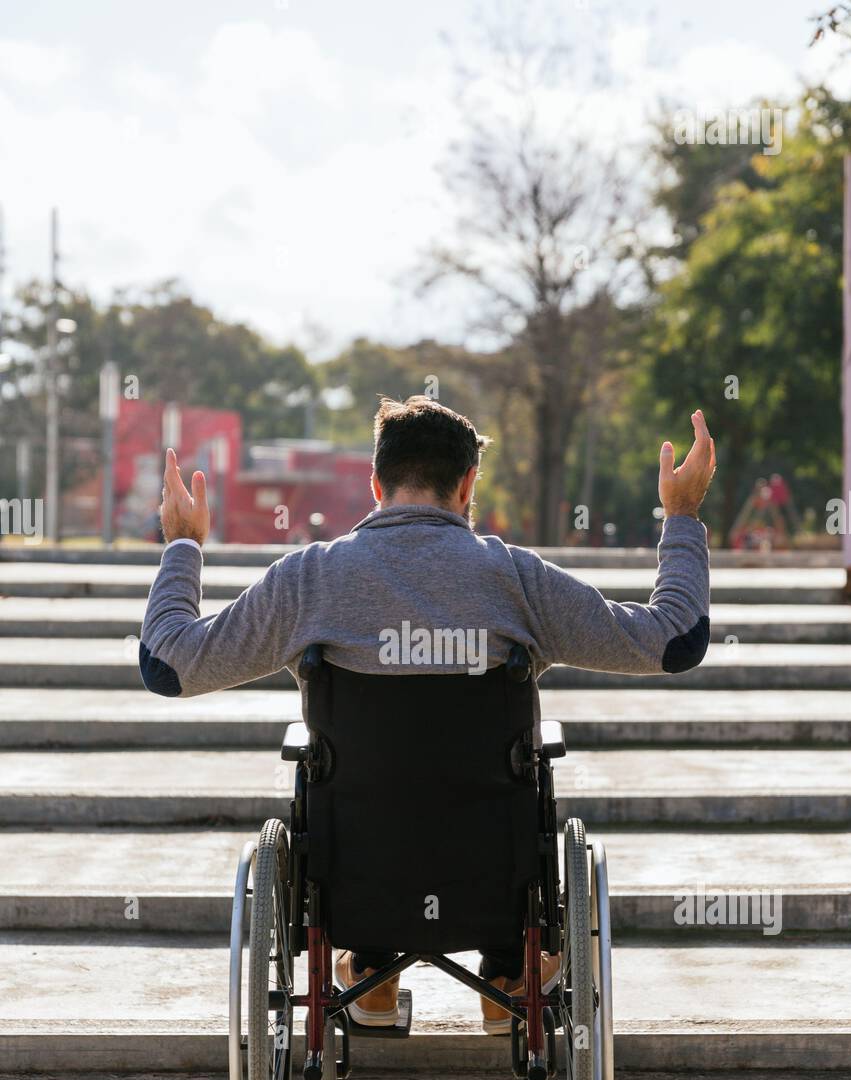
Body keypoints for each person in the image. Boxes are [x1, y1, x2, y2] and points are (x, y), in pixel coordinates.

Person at [141, 396, 715, 1031]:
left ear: (375, 483)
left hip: (357, 875)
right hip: (494, 874)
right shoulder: (516, 579)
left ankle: (369, 973)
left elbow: (169, 666)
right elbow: (675, 640)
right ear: (468, 484)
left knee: (358, 781)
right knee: (504, 778)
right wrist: (681, 515)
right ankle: (507, 973)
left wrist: (183, 547)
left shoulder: (310, 580)